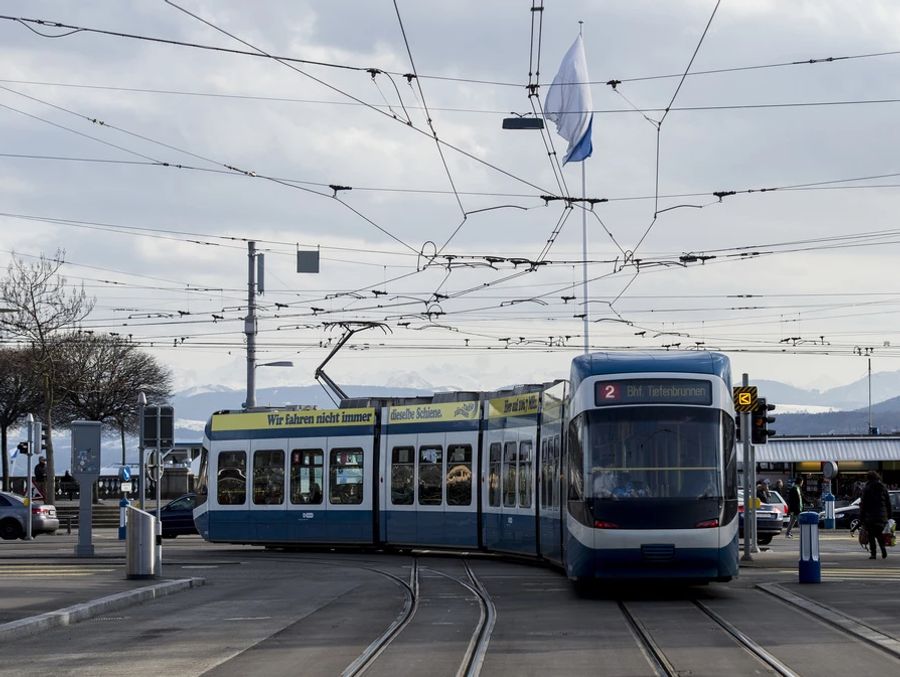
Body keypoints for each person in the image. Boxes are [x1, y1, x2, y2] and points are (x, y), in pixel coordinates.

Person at [859, 470, 892, 560]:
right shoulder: (883, 487)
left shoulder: (867, 488)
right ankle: (883, 549)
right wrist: (889, 516)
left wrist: (861, 518)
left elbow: (863, 504)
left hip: (870, 517)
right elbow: (888, 503)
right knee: (879, 534)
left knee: (871, 536)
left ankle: (873, 554)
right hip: (882, 516)